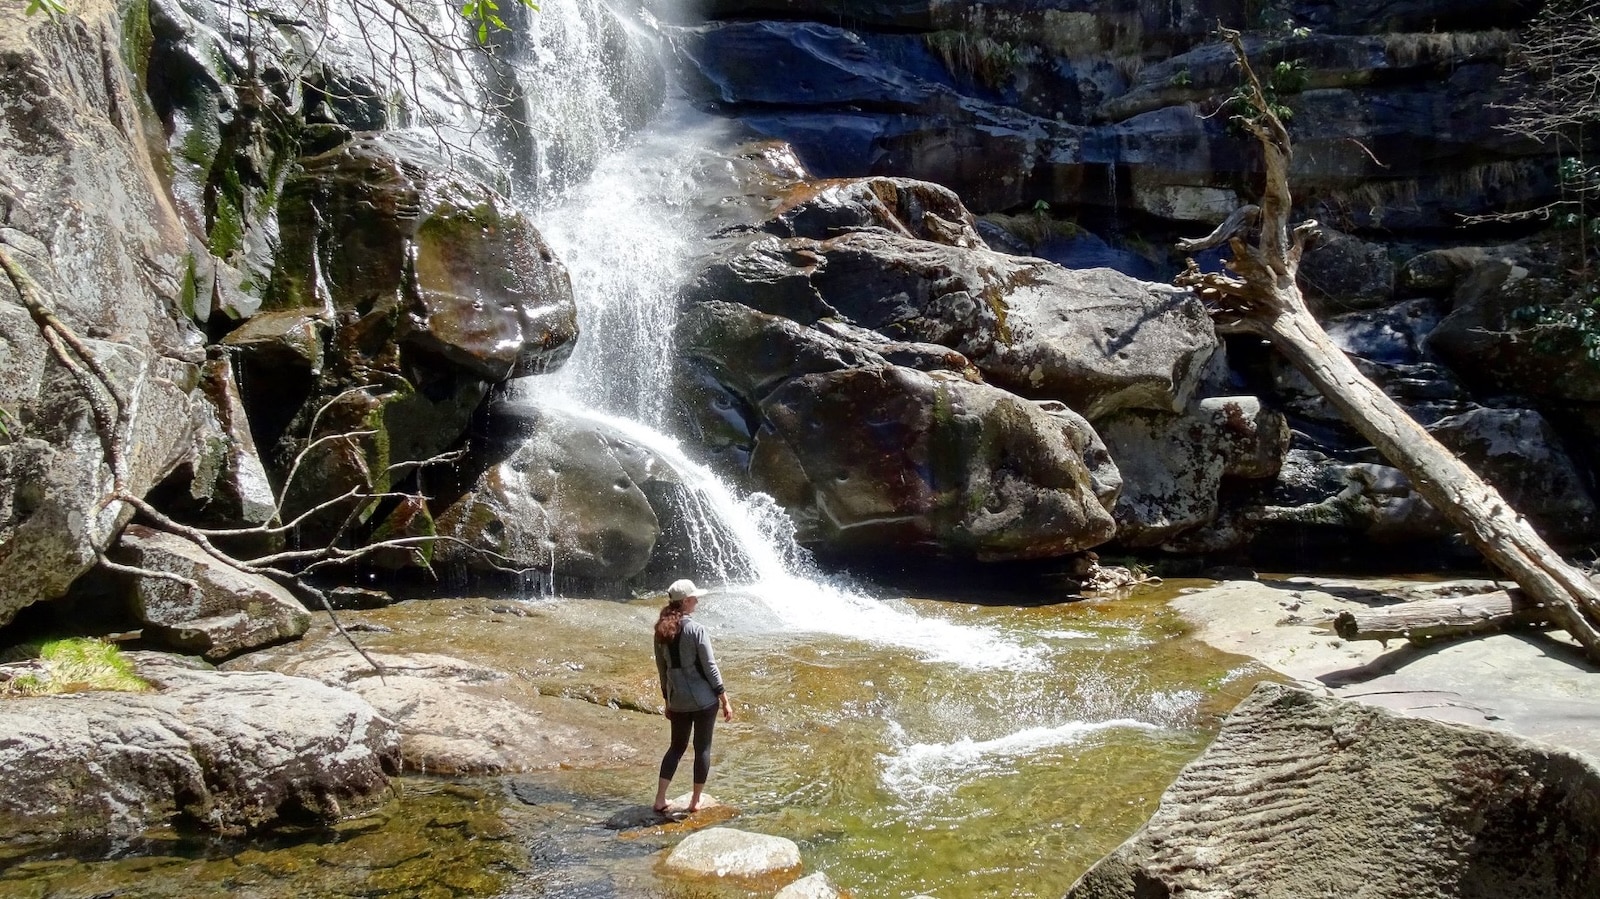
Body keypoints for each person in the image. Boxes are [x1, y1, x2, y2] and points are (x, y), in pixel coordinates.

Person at [652, 578, 732, 813]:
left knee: (675, 748)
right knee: (702, 748)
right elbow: (710, 667)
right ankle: (695, 802)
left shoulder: (660, 632)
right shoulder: (696, 630)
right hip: (704, 700)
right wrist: (724, 699)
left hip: (678, 700)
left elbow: (661, 669)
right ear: (685, 601)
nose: (697, 601)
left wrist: (668, 700)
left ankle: (660, 799)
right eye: (694, 598)